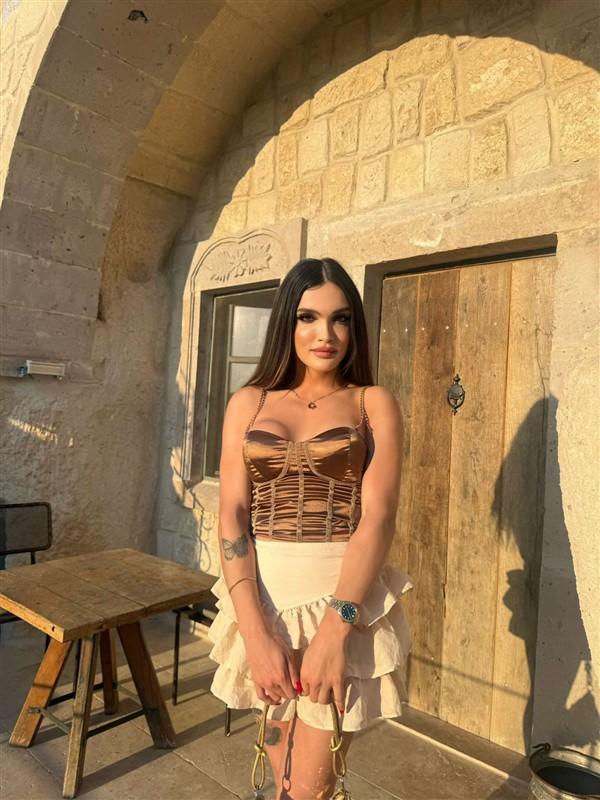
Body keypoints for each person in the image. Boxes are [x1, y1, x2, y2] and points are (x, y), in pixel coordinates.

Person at [208, 257, 413, 800]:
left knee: (310, 789)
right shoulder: (248, 403)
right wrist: (254, 632)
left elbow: (379, 518)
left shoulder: (372, 404)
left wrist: (335, 631)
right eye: (309, 317)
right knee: (282, 773)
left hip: (339, 603)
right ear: (287, 322)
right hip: (263, 605)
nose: (326, 334)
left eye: (340, 319)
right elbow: (232, 514)